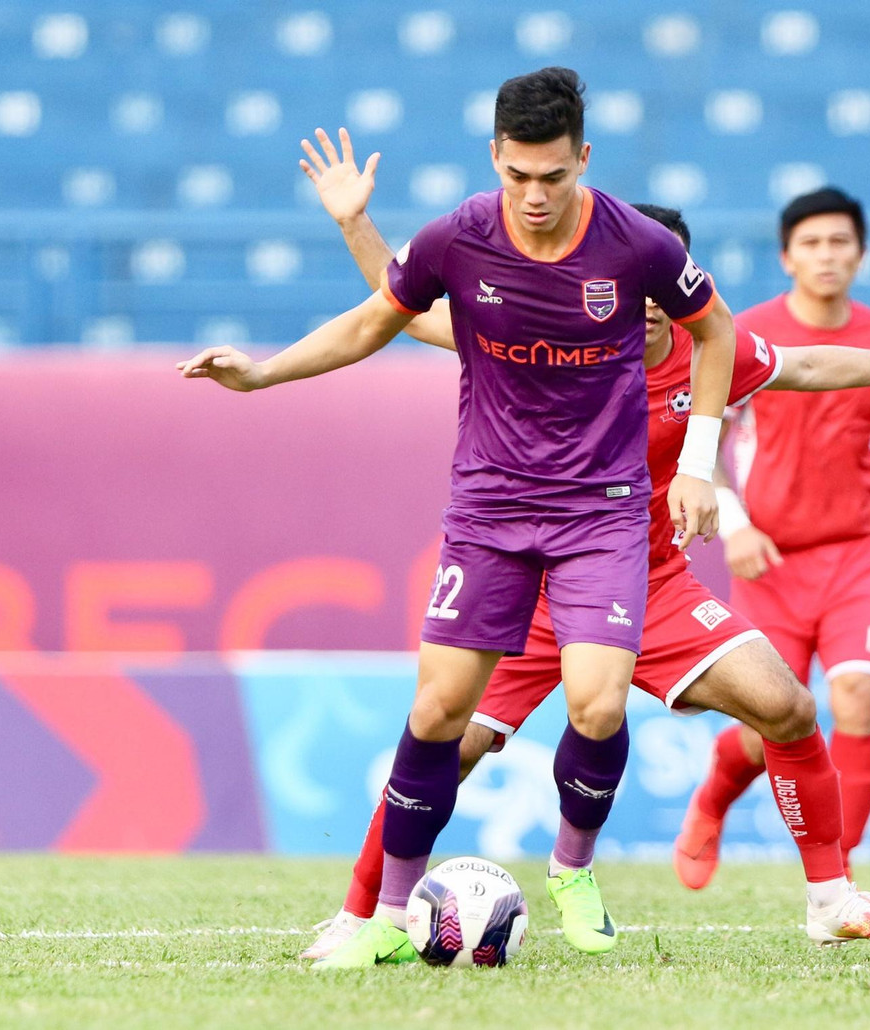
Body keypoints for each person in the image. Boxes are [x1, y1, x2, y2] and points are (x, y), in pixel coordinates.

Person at [295, 128, 870, 961]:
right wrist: (355, 224)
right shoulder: (553, 330)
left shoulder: (711, 354)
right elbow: (406, 312)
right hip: (528, 582)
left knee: (787, 707)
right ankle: (360, 916)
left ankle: (830, 901)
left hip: (646, 579)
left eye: (666, 288)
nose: (651, 302)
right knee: (449, 742)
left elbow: (807, 367)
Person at [180, 67, 740, 969]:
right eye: (517, 175)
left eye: (553, 176)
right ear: (494, 158)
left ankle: (572, 867)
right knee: (441, 710)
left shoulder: (635, 244)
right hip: (490, 509)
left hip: (600, 512)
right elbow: (376, 321)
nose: (535, 195)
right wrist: (264, 373)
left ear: (583, 159)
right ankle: (383, 918)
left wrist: (701, 466)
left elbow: (718, 332)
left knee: (598, 705)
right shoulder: (459, 236)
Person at [674, 187, 870, 891]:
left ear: (861, 254)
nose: (826, 255)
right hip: (770, 557)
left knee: (858, 693)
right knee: (767, 724)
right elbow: (708, 439)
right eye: (811, 243)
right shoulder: (746, 331)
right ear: (787, 256)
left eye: (840, 242)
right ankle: (713, 798)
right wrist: (736, 525)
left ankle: (842, 877)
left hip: (857, 550)